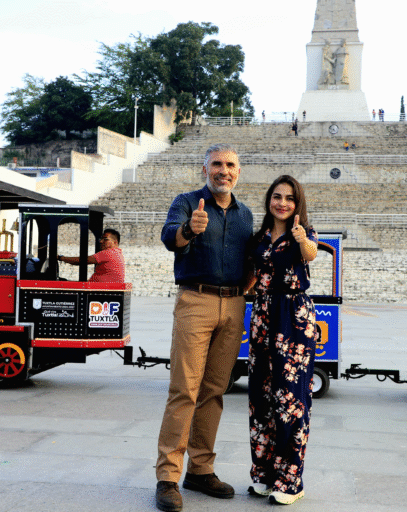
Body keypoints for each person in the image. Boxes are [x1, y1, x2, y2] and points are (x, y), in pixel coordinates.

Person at [155, 143, 254, 512]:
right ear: (205, 168)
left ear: (238, 172)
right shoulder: (187, 202)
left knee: (214, 390)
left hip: (234, 304)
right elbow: (169, 238)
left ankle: (200, 469)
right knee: (185, 389)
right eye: (216, 164)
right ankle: (167, 476)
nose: (223, 171)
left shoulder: (245, 214)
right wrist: (189, 230)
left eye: (230, 165)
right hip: (195, 300)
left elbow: (251, 257)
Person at [245, 175, 318, 506]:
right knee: (260, 396)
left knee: (290, 399)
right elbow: (250, 274)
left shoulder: (304, 233)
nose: (282, 202)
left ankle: (290, 480)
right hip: (262, 315)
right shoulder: (258, 237)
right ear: (268, 199)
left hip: (293, 317)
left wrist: (302, 238)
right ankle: (263, 473)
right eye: (277, 196)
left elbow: (312, 254)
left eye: (289, 197)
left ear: (297, 202)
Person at [57, 228, 124, 283]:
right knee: (64, 281)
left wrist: (61, 258)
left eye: (105, 239)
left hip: (99, 287)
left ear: (115, 242)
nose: (101, 242)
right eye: (101, 239)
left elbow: (81, 261)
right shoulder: (118, 253)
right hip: (103, 286)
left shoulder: (108, 253)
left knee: (61, 283)